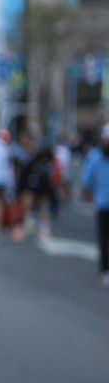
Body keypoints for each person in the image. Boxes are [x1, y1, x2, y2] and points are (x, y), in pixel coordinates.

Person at [80, 123, 109, 289]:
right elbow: (87, 181)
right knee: (104, 240)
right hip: (103, 205)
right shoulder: (96, 157)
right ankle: (105, 271)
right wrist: (87, 193)